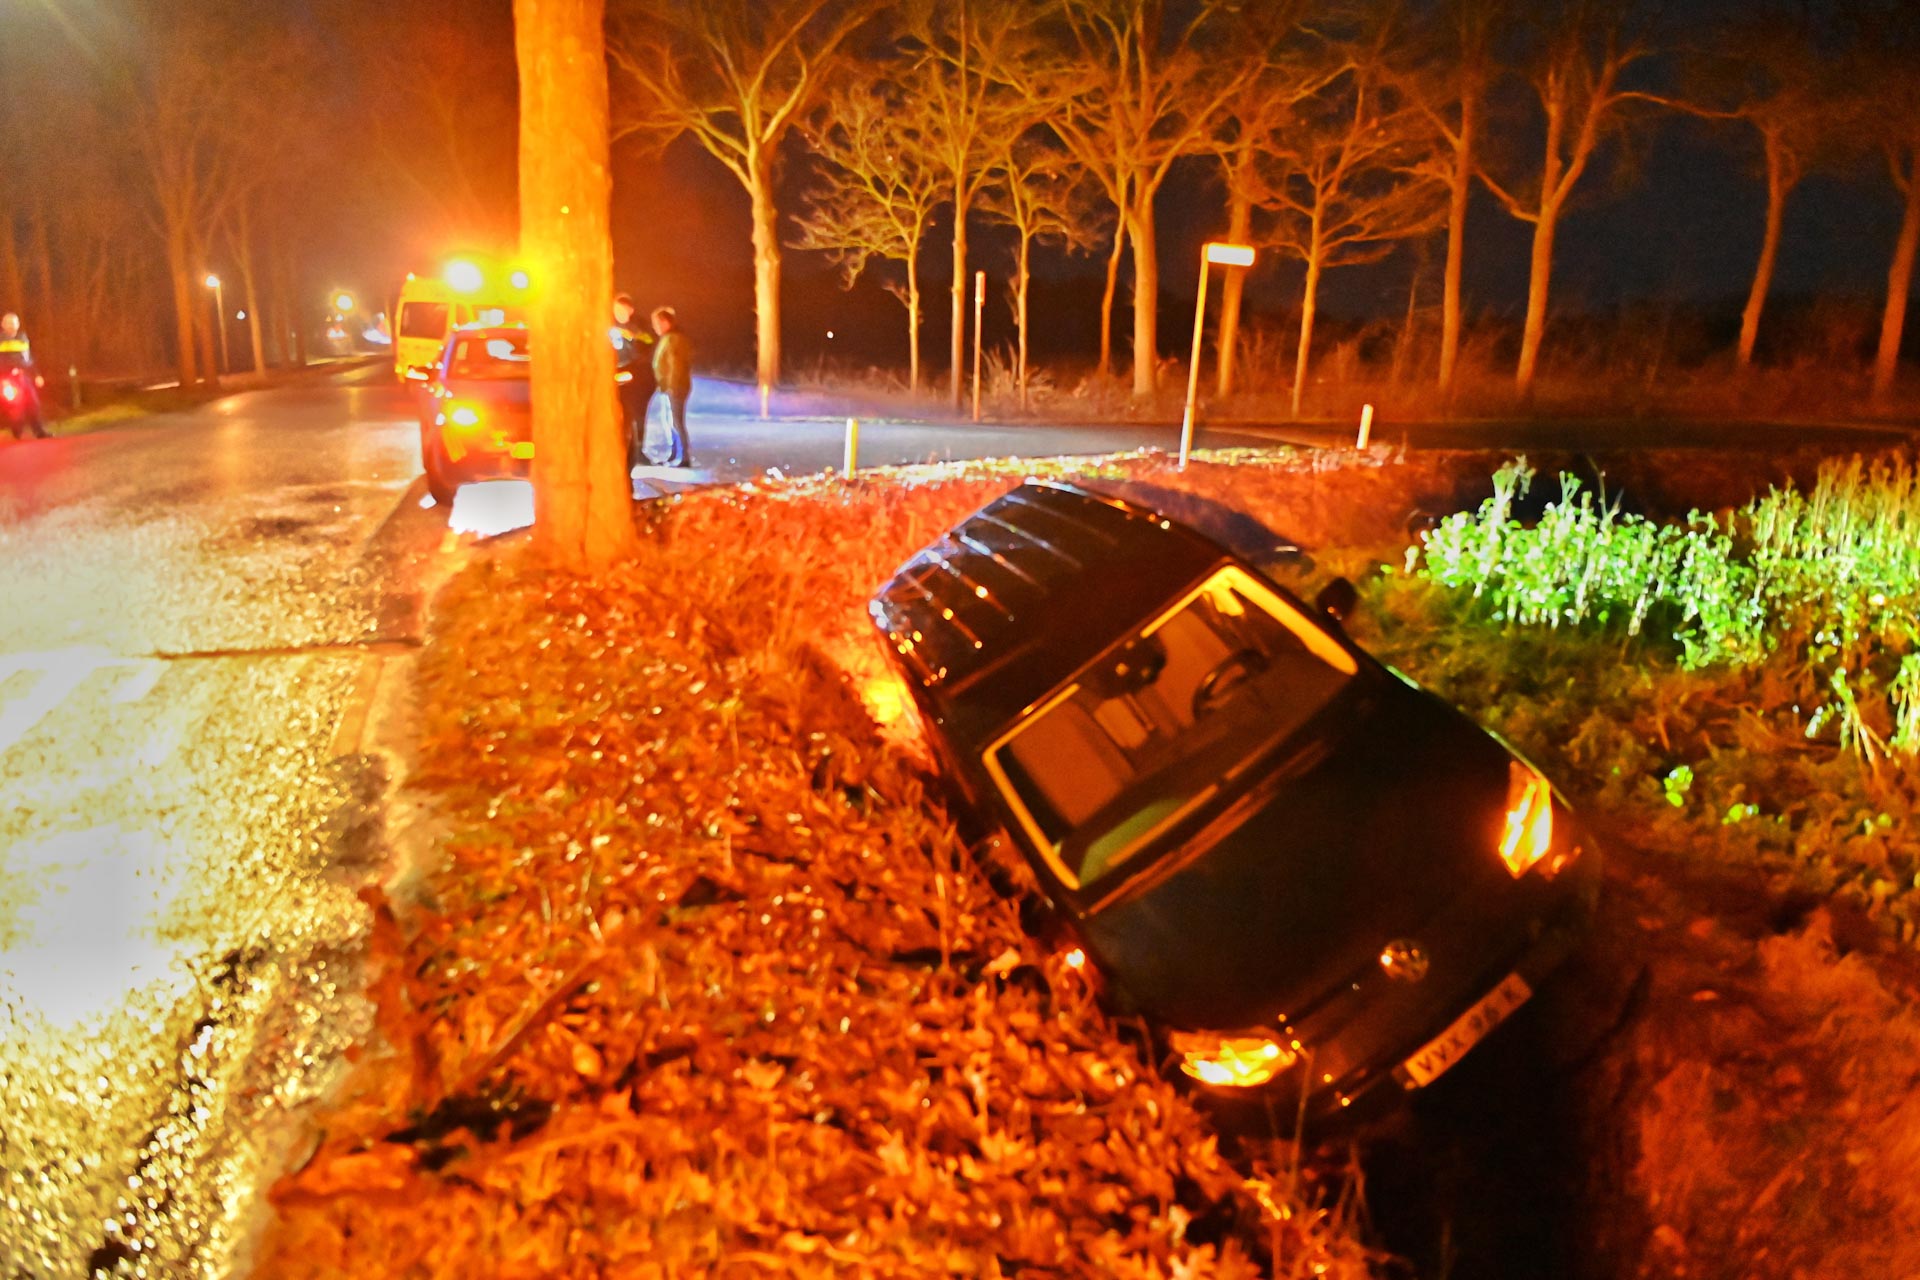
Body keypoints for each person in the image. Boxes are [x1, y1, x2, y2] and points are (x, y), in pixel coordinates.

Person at [611, 293, 654, 469]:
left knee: (636, 415)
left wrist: (632, 336)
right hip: (615, 373)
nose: (618, 314)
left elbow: (648, 342)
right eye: (616, 310)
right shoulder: (608, 324)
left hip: (636, 377)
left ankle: (638, 449)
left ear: (630, 310)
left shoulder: (639, 325)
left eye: (622, 310)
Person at [650, 305, 693, 467]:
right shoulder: (668, 338)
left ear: (665, 322)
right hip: (668, 387)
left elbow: (676, 365)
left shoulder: (675, 339)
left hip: (675, 387)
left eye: (657, 323)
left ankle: (684, 456)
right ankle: (674, 453)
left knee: (676, 421)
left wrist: (672, 386)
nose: (655, 327)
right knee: (670, 421)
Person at [0, 311, 47, 440]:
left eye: (13, 323)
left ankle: (39, 431)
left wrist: (37, 374)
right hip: (7, 378)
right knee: (15, 405)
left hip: (24, 376)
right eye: (8, 323)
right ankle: (17, 432)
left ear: (18, 324)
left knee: (33, 403)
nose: (11, 326)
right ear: (2, 325)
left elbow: (28, 358)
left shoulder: (22, 338)